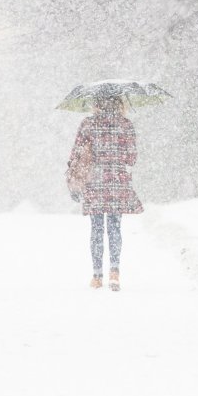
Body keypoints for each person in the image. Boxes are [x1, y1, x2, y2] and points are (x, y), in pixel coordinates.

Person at [67, 95, 143, 291]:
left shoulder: (87, 124)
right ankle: (115, 272)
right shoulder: (126, 125)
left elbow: (76, 155)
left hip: (95, 182)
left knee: (97, 229)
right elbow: (132, 158)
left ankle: (97, 275)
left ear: (96, 104)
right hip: (117, 182)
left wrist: (73, 182)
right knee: (115, 227)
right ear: (120, 103)